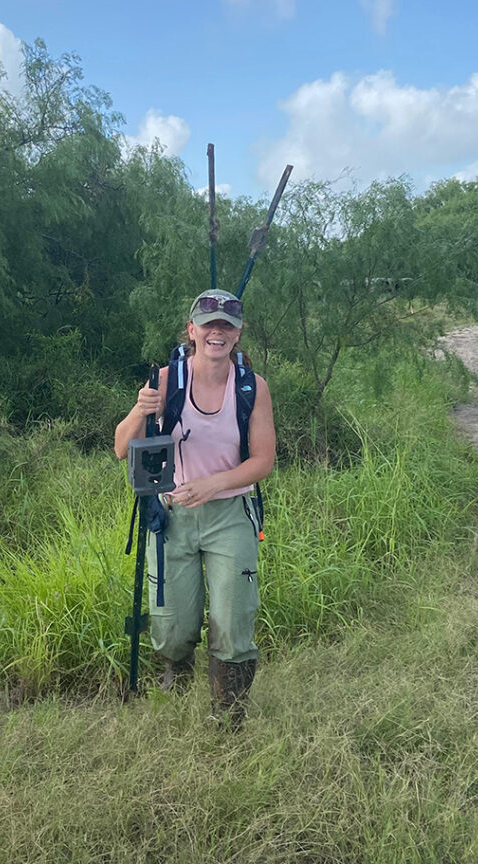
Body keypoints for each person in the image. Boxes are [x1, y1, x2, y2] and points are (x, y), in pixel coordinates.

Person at [114, 289, 276, 722]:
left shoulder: (251, 387)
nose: (217, 333)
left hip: (230, 515)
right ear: (192, 331)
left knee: (232, 616)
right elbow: (119, 447)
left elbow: (263, 460)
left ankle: (229, 713)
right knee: (171, 625)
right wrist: (138, 410)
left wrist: (213, 484)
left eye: (226, 325)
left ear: (238, 335)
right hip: (172, 516)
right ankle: (175, 677)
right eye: (208, 325)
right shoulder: (165, 380)